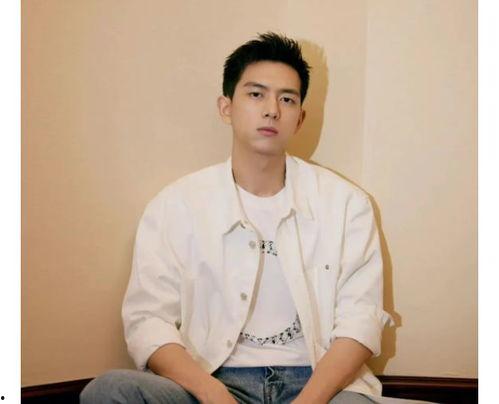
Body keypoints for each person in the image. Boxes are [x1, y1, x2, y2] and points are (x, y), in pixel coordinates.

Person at [81, 32, 396, 404]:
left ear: (299, 118)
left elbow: (360, 322)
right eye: (256, 94)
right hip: (211, 381)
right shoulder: (175, 205)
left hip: (317, 385)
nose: (272, 110)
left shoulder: (346, 204)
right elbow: (147, 321)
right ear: (226, 107)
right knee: (109, 391)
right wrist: (213, 393)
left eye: (287, 99)